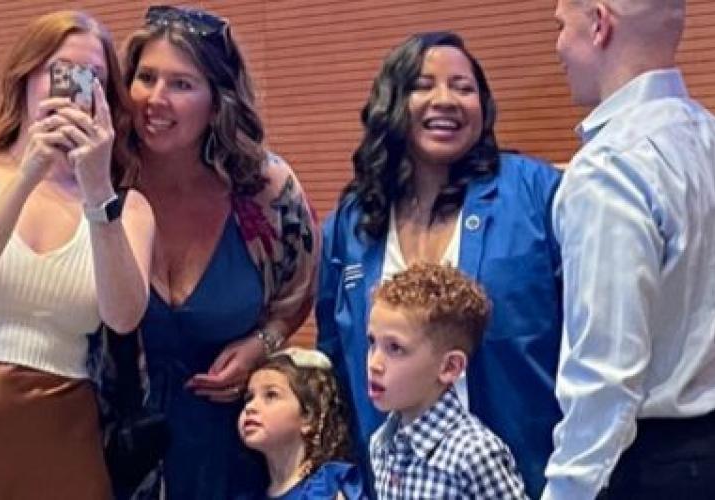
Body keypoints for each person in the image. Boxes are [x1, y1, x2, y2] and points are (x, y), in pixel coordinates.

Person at [544, 1, 715, 499]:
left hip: (660, 469)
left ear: (599, 24)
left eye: (562, 27)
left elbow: (604, 372)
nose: (558, 47)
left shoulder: (608, 166)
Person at [0, 10, 154, 499]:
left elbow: (123, 316)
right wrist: (29, 173)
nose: (74, 90)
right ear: (23, 79)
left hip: (63, 428)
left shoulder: (125, 206)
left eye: (94, 80)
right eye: (59, 73)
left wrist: (96, 189)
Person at [315, 32, 563, 497]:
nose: (445, 100)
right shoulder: (351, 221)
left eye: (463, 88)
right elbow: (336, 352)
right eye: (423, 85)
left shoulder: (537, 193)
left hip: (523, 472)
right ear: (392, 101)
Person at [115, 5, 321, 498]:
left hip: (229, 456)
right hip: (109, 452)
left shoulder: (266, 189)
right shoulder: (98, 180)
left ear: (218, 100)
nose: (156, 100)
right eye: (146, 77)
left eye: (182, 84)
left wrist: (262, 346)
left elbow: (298, 294)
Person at [367, 263, 528, 499]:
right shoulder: (381, 444)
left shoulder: (474, 454)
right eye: (372, 343)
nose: (374, 364)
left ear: (450, 367)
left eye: (395, 348)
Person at [239, 348, 366, 500]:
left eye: (271, 395)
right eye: (249, 397)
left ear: (309, 417)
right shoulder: (248, 494)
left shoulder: (328, 488)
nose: (250, 407)